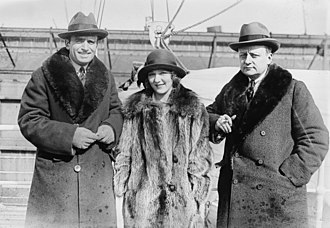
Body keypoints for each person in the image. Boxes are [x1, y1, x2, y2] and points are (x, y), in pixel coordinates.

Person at [206, 22, 329, 228]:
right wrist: (217, 122)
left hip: (277, 199)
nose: (247, 61)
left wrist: (289, 176)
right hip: (236, 197)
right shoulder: (232, 90)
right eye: (243, 55)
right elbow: (208, 113)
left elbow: (316, 138)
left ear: (269, 57)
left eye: (254, 56)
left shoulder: (292, 90)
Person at [18, 12, 123, 227]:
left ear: (97, 45)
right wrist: (69, 136)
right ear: (67, 42)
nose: (86, 47)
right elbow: (29, 119)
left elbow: (117, 111)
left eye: (91, 42)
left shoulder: (106, 77)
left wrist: (112, 127)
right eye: (79, 41)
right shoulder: (43, 76)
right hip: (56, 178)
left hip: (96, 178)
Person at [114, 49, 213, 227]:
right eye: (152, 74)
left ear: (173, 75)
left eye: (163, 73)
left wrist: (198, 195)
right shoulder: (135, 109)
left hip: (182, 203)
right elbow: (125, 151)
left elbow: (200, 156)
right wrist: (122, 186)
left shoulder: (193, 109)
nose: (157, 80)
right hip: (142, 202)